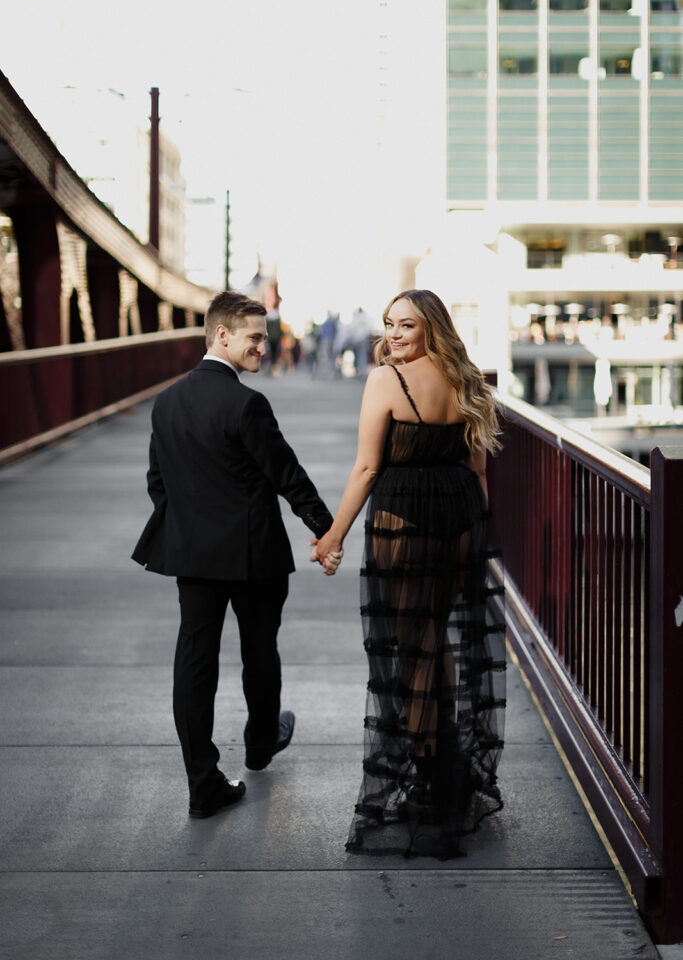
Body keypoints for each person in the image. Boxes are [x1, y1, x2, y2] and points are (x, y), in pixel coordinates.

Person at [311, 289, 505, 859]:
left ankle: (428, 778)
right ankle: (444, 762)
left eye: (406, 326)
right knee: (436, 638)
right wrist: (478, 527)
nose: (394, 336)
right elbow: (479, 471)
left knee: (413, 647)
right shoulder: (466, 379)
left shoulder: (384, 382)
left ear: (431, 328)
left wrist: (333, 536)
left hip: (406, 524)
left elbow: (368, 467)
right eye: (390, 325)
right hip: (460, 518)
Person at [133, 291, 341, 820]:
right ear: (221, 335)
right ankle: (259, 744)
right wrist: (327, 532)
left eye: (264, 337)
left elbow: (159, 481)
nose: (263, 347)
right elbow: (286, 474)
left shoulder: (168, 401)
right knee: (259, 652)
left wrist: (189, 522)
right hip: (254, 555)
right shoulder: (246, 403)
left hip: (194, 556)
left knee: (195, 661)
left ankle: (202, 784)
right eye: (254, 337)